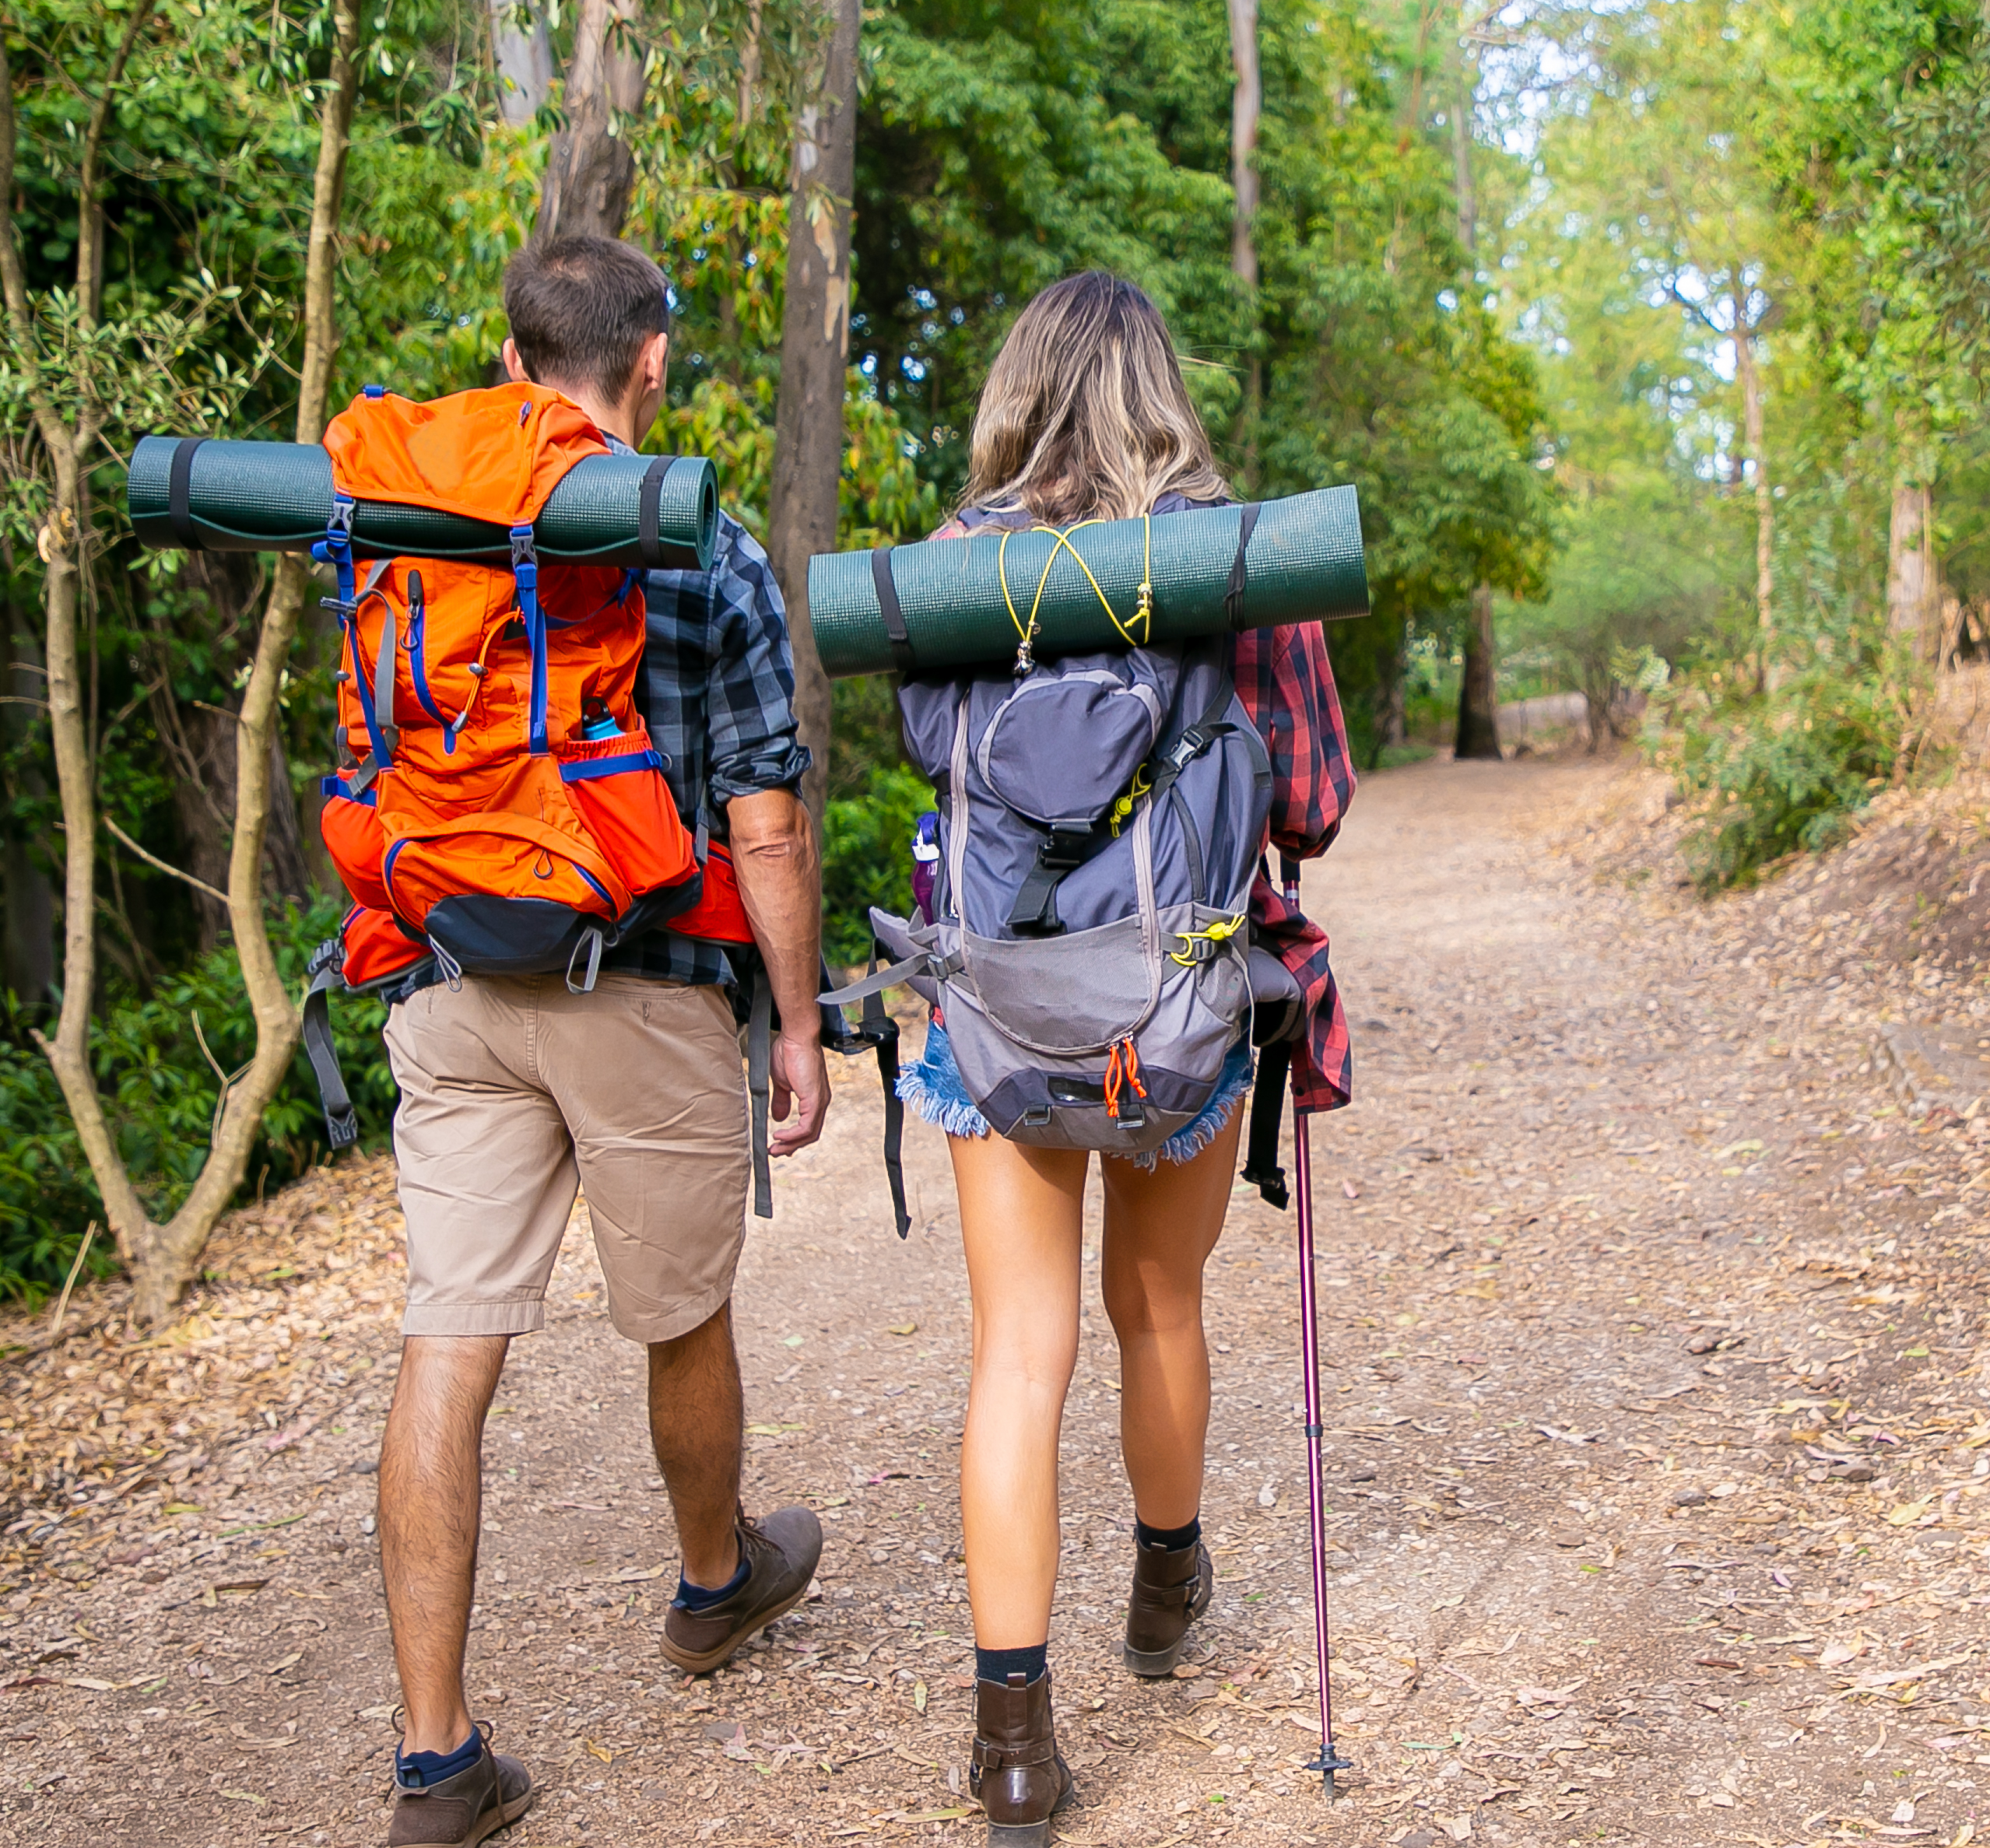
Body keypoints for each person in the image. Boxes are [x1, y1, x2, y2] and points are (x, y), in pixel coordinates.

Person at [370, 234, 837, 1848]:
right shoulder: (697, 540)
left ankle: (437, 1761)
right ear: (647, 366)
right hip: (640, 980)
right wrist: (796, 1020)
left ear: (512, 361)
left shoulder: (413, 524)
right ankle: (714, 1585)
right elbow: (762, 818)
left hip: (448, 980)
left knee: (450, 1339)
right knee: (681, 1306)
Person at [900, 273, 1357, 1842]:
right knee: (1156, 1306)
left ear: (1017, 391)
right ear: (1166, 391)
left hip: (1000, 1013)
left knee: (1018, 1348)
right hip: (1175, 1007)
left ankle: (1013, 1751)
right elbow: (1312, 805)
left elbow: (924, 752)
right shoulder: (1240, 564)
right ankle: (1166, 1586)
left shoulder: (955, 569)